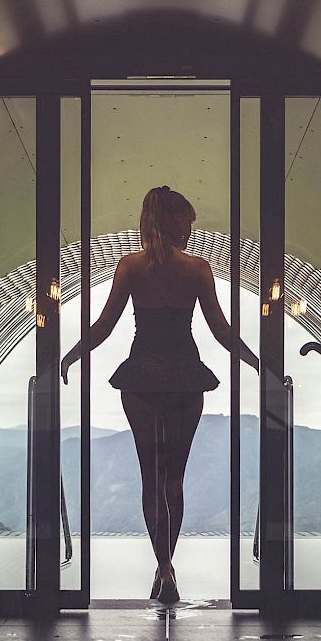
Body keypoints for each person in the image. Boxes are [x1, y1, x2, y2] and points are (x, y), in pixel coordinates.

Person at [61, 186, 258, 604]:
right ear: (172, 222)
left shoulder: (130, 267)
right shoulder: (198, 269)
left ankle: (163, 568)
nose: (190, 229)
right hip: (186, 377)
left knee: (151, 479)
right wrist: (259, 363)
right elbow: (222, 332)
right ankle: (167, 565)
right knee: (174, 481)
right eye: (186, 221)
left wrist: (71, 356)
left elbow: (104, 326)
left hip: (141, 379)